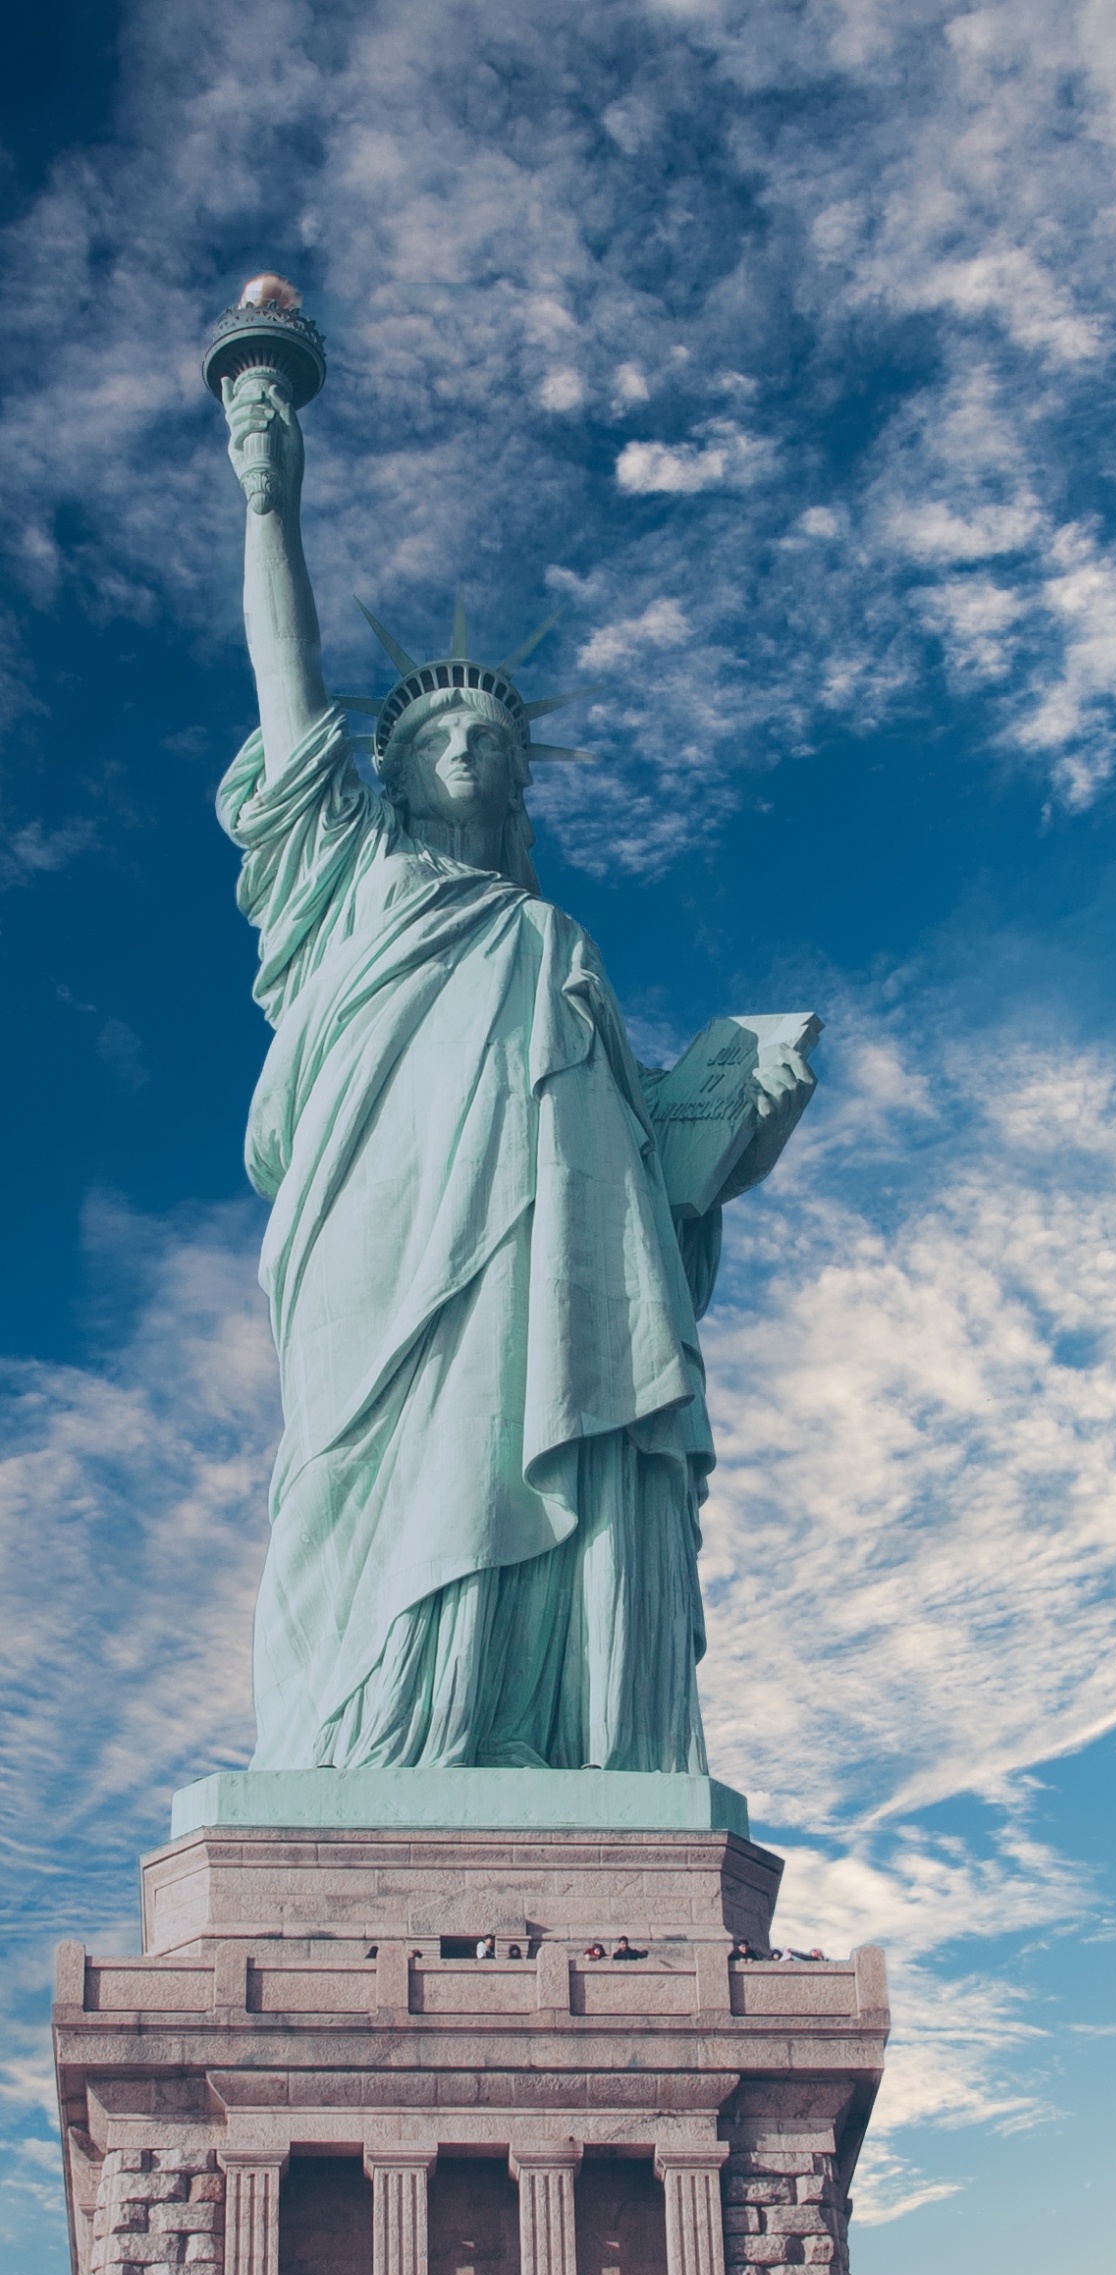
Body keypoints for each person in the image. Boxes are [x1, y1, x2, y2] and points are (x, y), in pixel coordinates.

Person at [217, 350, 815, 1776]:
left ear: (522, 775)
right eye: (438, 735)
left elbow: (643, 1177)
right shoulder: (347, 878)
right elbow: (288, 688)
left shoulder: (558, 939)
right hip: (382, 1234)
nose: (472, 748)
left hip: (555, 1261)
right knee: (368, 1470)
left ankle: (545, 1733)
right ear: (396, 768)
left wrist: (727, 1129)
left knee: (555, 1439)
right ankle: (373, 1744)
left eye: (495, 734)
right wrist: (268, 502)